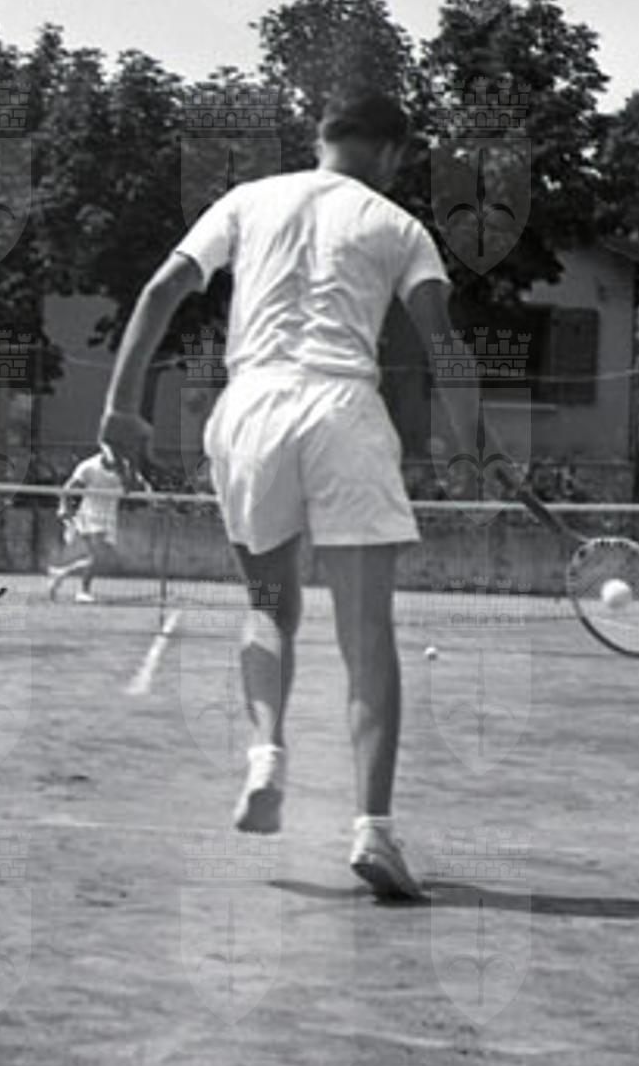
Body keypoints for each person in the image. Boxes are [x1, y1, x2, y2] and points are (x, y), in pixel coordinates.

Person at [99, 92, 509, 904]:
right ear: (389, 152)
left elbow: (159, 291)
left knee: (266, 606)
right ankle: (372, 830)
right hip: (341, 413)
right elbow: (442, 345)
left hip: (250, 411)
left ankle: (265, 759)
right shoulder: (398, 226)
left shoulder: (247, 200)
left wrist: (121, 407)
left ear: (322, 138)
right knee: (366, 634)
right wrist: (475, 441)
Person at [47, 447, 126, 603]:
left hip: (110, 517)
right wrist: (64, 507)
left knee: (101, 558)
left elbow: (134, 484)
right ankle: (83, 591)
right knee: (98, 555)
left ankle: (61, 573)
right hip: (91, 515)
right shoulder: (89, 466)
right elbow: (69, 488)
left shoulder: (124, 466)